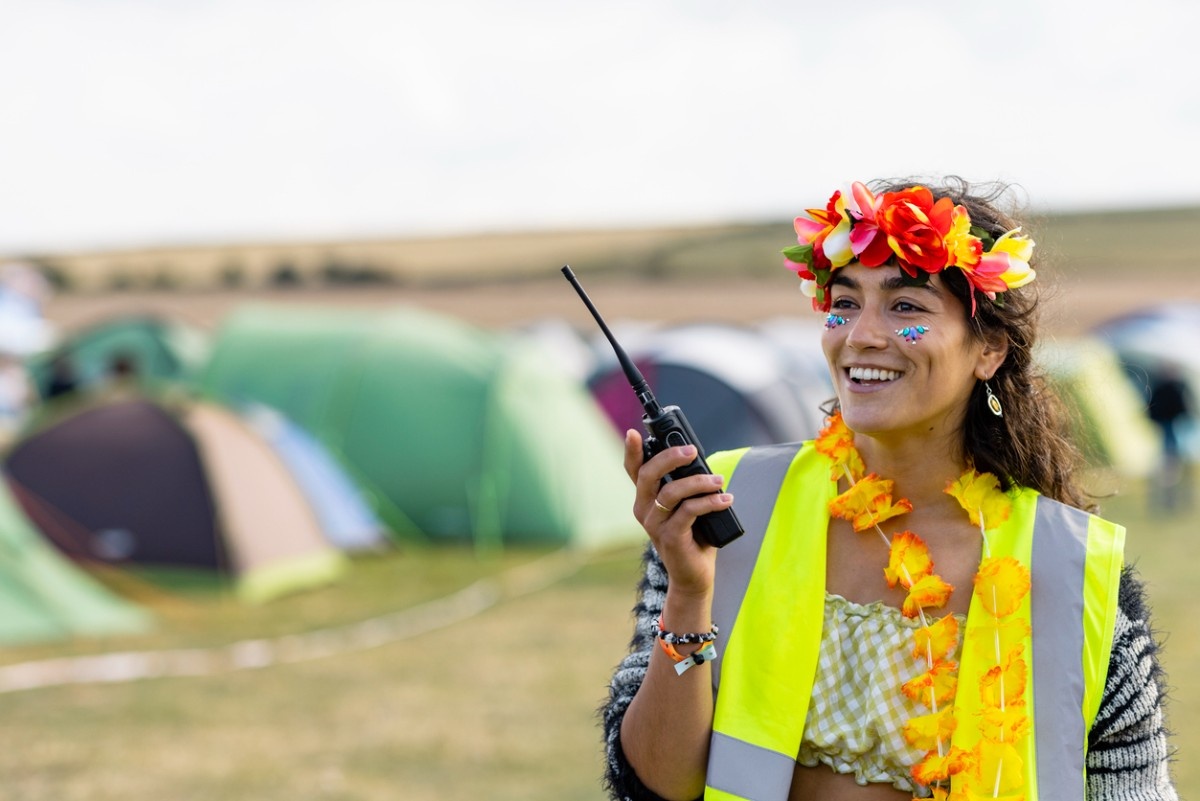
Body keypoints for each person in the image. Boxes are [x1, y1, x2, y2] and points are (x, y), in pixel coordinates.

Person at [601, 178, 1177, 801]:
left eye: (906, 308)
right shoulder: (726, 506)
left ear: (988, 350)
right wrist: (689, 592)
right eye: (843, 304)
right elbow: (657, 784)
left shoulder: (1074, 570)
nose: (861, 335)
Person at [1146, 363, 1193, 512]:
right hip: (1168, 434)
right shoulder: (1160, 387)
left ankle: (1182, 500)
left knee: (1181, 469)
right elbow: (1152, 411)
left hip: (1181, 433)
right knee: (1169, 469)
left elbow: (1187, 410)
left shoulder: (1180, 386)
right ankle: (1169, 501)